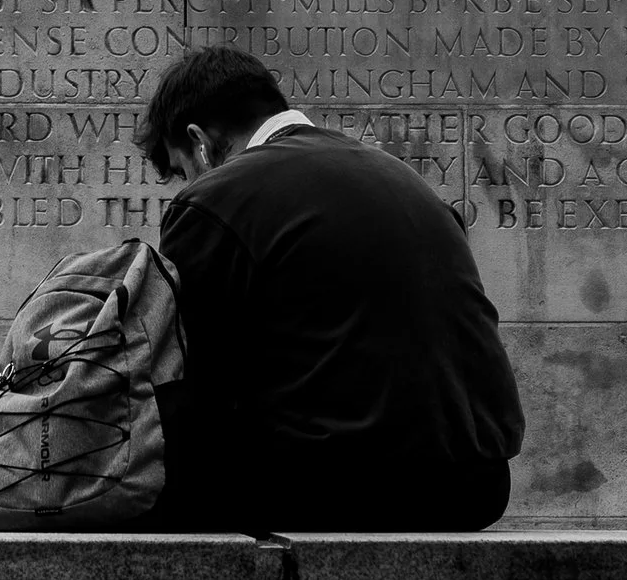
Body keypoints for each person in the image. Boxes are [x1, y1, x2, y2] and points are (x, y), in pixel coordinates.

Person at [137, 45, 524, 530]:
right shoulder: (402, 178)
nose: (187, 185)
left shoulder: (217, 197)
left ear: (199, 142)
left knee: (121, 467)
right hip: (476, 486)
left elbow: (195, 380)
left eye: (182, 170)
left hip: (338, 484)